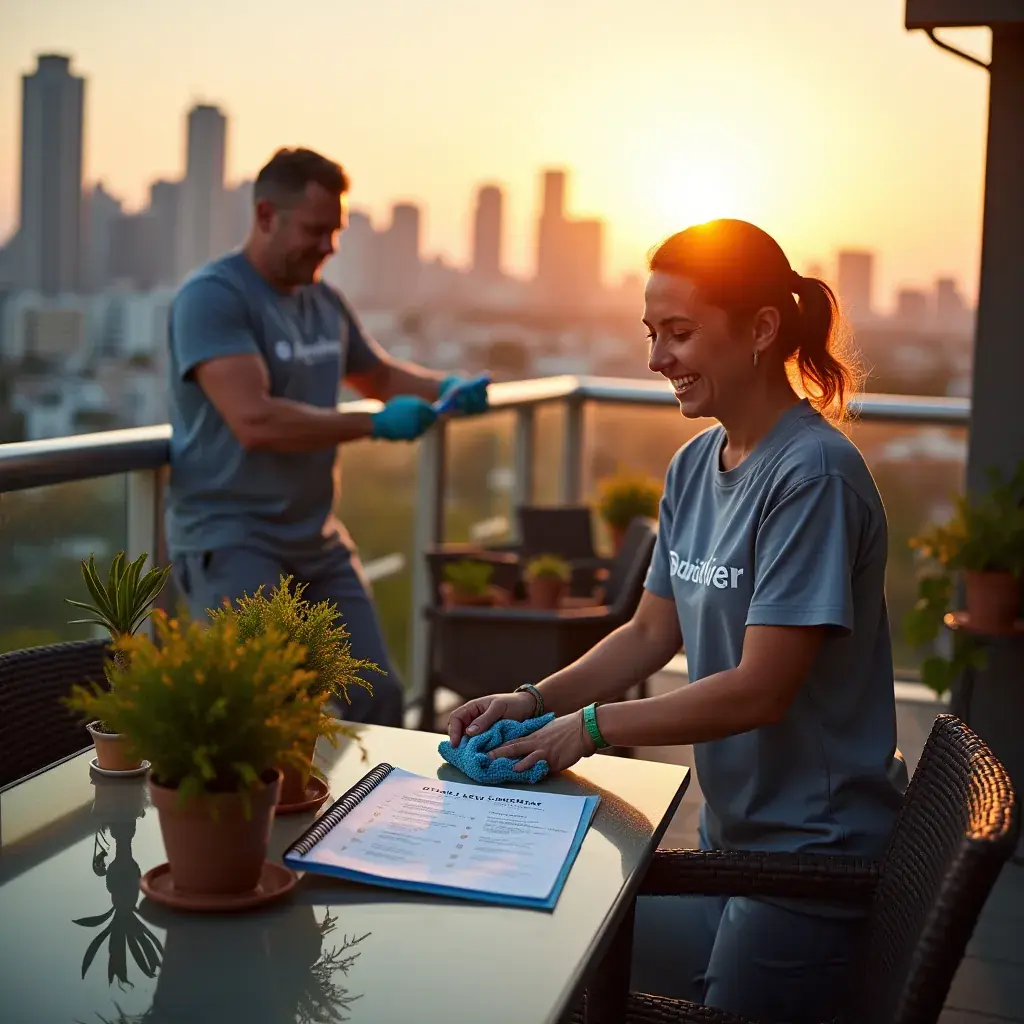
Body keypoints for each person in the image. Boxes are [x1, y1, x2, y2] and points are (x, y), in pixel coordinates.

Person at [446, 219, 907, 1023]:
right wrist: (532, 701)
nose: (657, 359)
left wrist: (585, 729)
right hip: (731, 847)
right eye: (652, 333)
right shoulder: (695, 465)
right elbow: (649, 635)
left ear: (761, 329)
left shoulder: (815, 478)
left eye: (681, 333)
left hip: (810, 865)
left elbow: (759, 692)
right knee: (568, 966)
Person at [166, 147, 489, 728]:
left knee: (379, 696)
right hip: (233, 537)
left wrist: (448, 389)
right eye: (316, 230)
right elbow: (254, 420)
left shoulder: (324, 302)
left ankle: (378, 820)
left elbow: (381, 376)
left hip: (315, 540)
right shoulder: (213, 297)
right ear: (267, 215)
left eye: (335, 231)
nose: (329, 246)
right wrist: (372, 423)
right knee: (264, 712)